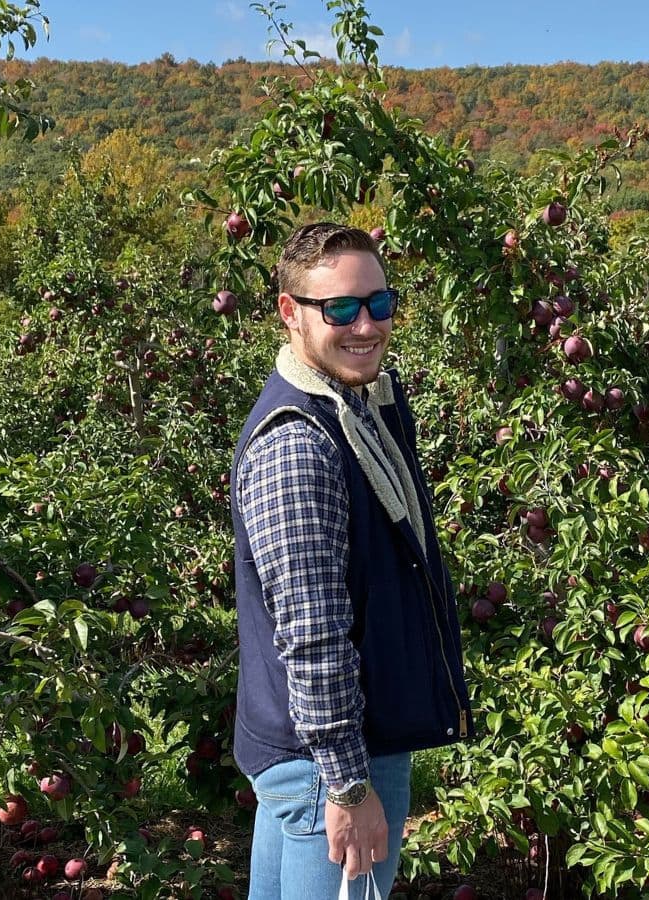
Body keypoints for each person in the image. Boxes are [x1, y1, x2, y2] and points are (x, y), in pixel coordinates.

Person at [230, 222, 475, 900]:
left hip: (315, 757)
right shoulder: (300, 447)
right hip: (329, 765)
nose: (364, 324)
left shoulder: (354, 409)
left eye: (379, 302)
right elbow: (312, 636)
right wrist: (349, 784)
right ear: (290, 313)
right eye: (338, 308)